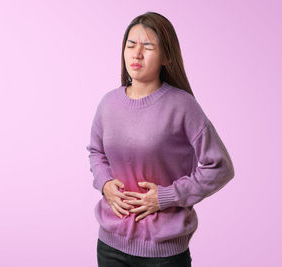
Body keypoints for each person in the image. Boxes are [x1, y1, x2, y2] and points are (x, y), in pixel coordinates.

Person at [86, 11, 235, 267]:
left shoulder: (183, 106)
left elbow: (220, 168)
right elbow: (96, 152)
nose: (137, 53)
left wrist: (166, 196)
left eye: (148, 46)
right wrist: (105, 183)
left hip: (164, 253)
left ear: (166, 56)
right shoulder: (108, 103)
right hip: (110, 245)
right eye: (131, 45)